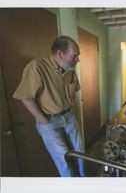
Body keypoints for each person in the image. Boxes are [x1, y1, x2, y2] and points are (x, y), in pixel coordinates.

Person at [13, 36, 85, 177]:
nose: (78, 59)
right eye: (74, 56)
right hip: (49, 121)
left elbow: (74, 90)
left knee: (79, 151)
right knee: (64, 159)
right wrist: (44, 120)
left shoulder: (69, 68)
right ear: (60, 54)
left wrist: (71, 109)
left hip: (68, 117)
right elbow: (26, 97)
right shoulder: (37, 67)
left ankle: (83, 181)